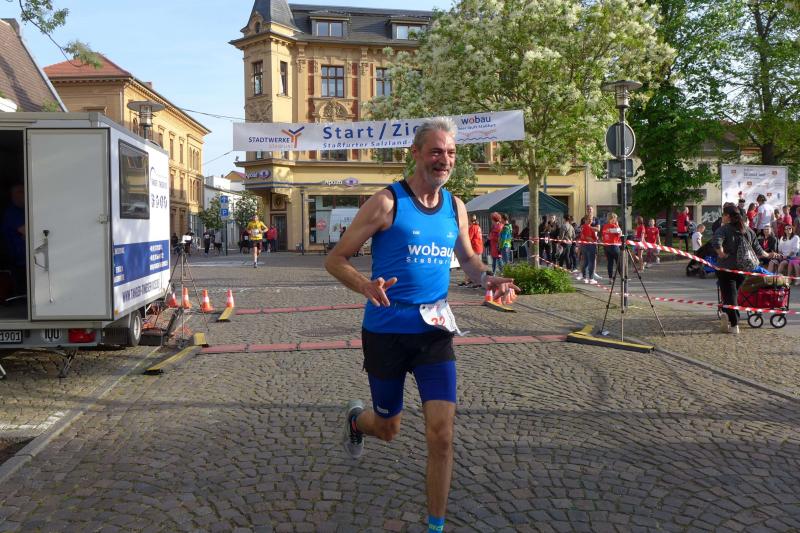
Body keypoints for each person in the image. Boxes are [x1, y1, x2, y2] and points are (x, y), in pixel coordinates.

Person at [324, 118, 518, 532]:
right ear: (415, 154)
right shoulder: (386, 202)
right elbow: (335, 259)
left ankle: (435, 526)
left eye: (450, 153)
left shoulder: (455, 206)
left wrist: (486, 278)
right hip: (386, 332)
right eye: (436, 151)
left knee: (442, 435)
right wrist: (365, 285)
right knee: (388, 428)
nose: (444, 160)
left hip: (434, 331)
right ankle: (357, 422)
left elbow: (467, 260)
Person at [713, 204, 774, 334]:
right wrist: (768, 255)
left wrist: (721, 254)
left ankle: (734, 324)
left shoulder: (723, 229)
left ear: (727, 216)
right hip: (743, 269)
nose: (722, 217)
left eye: (723, 215)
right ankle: (727, 315)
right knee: (732, 294)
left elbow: (716, 242)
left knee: (730, 296)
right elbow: (758, 249)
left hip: (726, 269)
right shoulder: (748, 230)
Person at [1, 183, 26, 295]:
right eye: (19, 192)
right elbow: (27, 232)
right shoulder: (12, 212)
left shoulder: (23, 211)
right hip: (18, 256)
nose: (23, 194)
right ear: (12, 195)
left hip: (24, 254)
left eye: (23, 191)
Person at [458, 215, 484, 287]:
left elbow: (468, 238)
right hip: (479, 247)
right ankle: (469, 280)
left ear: (470, 220)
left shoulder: (473, 227)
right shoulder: (478, 227)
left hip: (474, 248)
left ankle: (474, 281)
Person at [576, 215, 598, 284]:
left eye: (592, 219)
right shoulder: (587, 227)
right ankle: (591, 278)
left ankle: (584, 277)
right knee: (591, 262)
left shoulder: (584, 227)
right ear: (585, 220)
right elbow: (588, 237)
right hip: (589, 246)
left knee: (585, 262)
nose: (591, 220)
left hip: (584, 246)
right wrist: (595, 241)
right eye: (589, 219)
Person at [601, 213, 622, 279]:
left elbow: (603, 235)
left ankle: (610, 278)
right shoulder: (614, 226)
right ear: (612, 219)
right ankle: (622, 277)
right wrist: (617, 225)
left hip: (606, 247)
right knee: (618, 262)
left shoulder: (604, 226)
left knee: (610, 263)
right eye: (615, 218)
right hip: (614, 246)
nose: (616, 220)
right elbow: (620, 233)